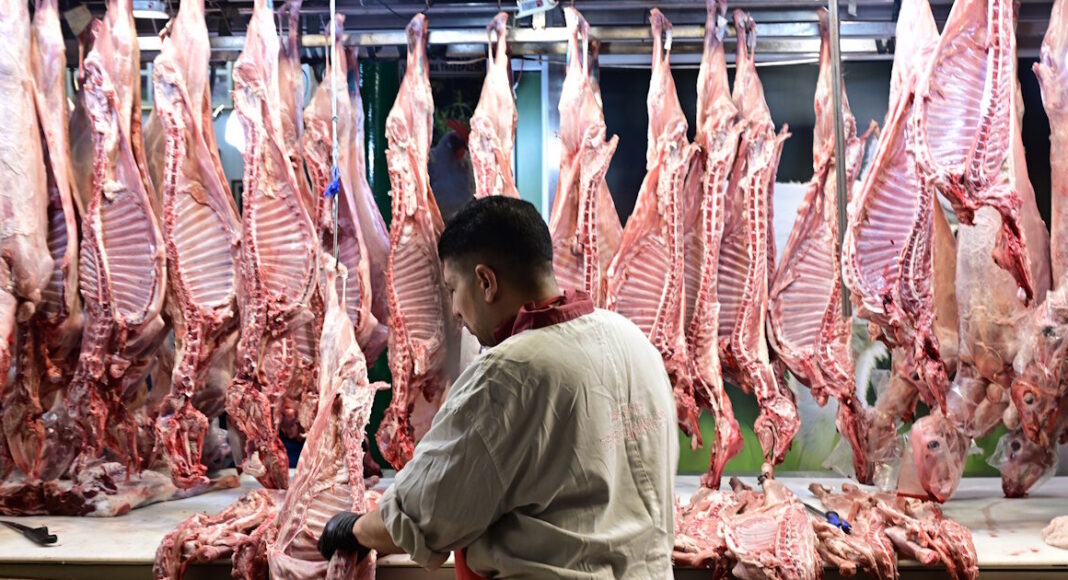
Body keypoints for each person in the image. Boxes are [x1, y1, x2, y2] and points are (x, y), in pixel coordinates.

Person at [318, 196, 679, 578]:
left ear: (486, 282)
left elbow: (423, 513)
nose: (455, 312)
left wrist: (353, 529)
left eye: (453, 290)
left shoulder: (507, 374)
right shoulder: (632, 340)